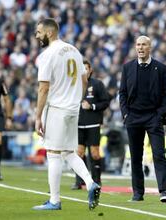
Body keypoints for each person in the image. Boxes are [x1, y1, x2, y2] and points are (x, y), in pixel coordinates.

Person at [32, 18, 100, 211]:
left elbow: (43, 88)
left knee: (53, 154)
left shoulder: (47, 55)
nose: (37, 36)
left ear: (49, 32)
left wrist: (38, 117)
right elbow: (84, 81)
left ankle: (54, 200)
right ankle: (90, 182)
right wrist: (76, 100)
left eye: (39, 32)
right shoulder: (74, 51)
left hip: (56, 109)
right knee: (68, 152)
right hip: (72, 109)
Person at [119, 36, 166, 202]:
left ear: (150, 47)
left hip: (153, 117)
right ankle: (138, 193)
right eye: (138, 45)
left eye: (144, 45)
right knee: (135, 157)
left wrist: (158, 115)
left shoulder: (161, 68)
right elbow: (122, 93)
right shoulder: (127, 68)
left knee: (158, 155)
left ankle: (163, 192)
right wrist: (126, 114)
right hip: (133, 117)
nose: (140, 48)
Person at [71, 59, 110, 190]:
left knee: (94, 153)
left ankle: (97, 180)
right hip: (78, 125)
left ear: (90, 70)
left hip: (93, 124)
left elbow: (105, 102)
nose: (84, 71)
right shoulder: (73, 85)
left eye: (86, 69)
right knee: (79, 153)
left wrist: (92, 106)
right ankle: (79, 181)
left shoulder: (97, 84)